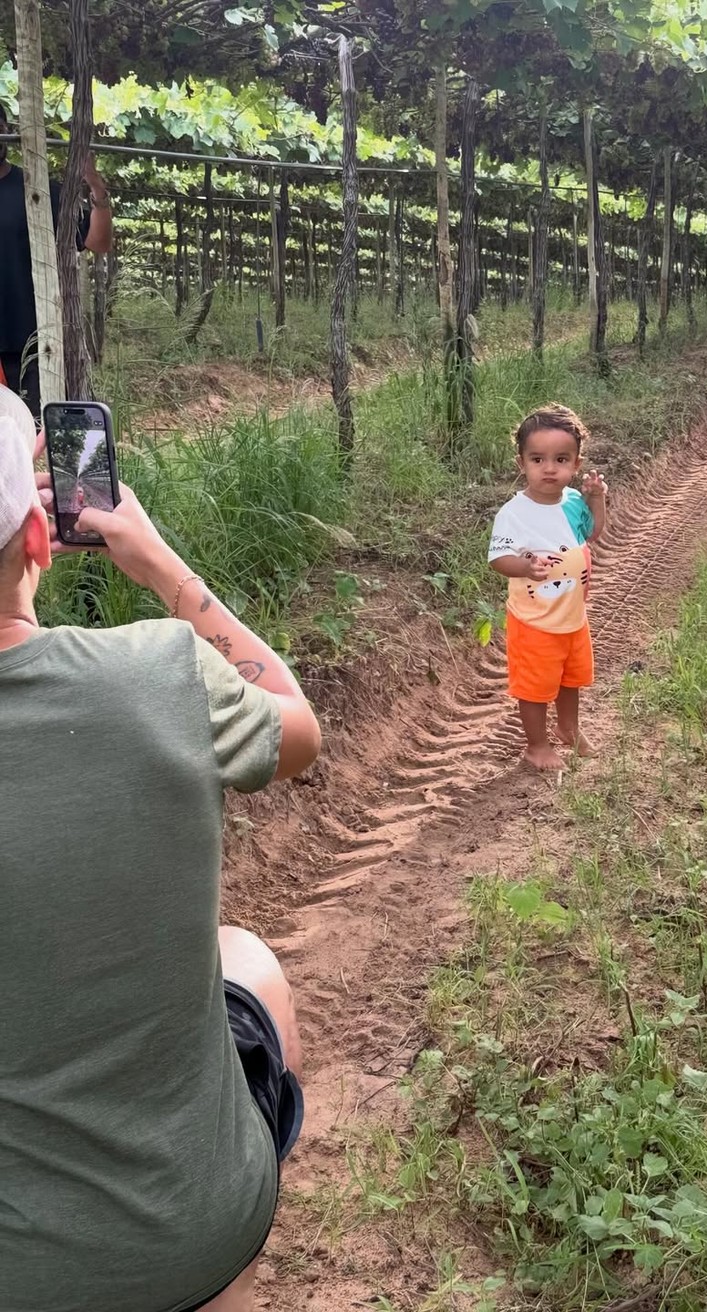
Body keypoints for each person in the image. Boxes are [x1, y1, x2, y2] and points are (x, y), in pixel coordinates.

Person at [0, 383, 322, 1311]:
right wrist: (162, 568)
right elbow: (297, 730)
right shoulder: (159, 674)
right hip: (188, 1229)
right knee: (248, 962)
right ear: (36, 539)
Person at [489, 403, 608, 770]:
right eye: (538, 459)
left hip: (572, 615)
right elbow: (497, 559)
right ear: (521, 463)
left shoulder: (572, 501)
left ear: (576, 463)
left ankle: (569, 728)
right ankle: (537, 746)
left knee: (570, 677)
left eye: (561, 459)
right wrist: (524, 566)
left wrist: (596, 499)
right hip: (535, 619)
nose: (550, 468)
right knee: (535, 685)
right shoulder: (515, 513)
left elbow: (593, 532)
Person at [0, 107, 113, 421]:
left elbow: (97, 242)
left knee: (29, 440)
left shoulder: (38, 191)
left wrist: (97, 190)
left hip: (29, 345)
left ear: (7, 130)